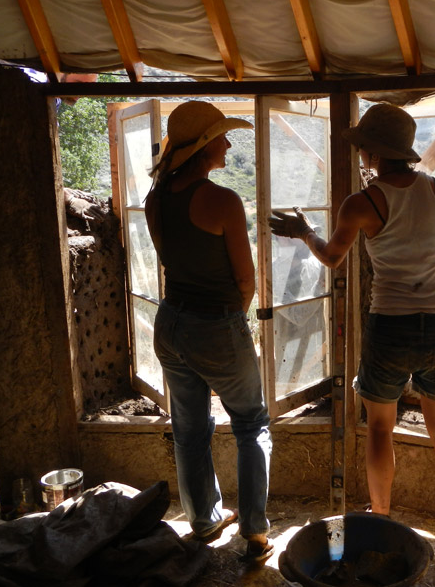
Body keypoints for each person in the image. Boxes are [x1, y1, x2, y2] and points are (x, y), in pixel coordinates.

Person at [269, 103, 435, 560]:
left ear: (371, 152)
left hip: (388, 327)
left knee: (381, 429)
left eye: (363, 145)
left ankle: (381, 514)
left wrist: (306, 231)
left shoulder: (361, 204)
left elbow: (331, 257)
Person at [144, 101, 273, 562]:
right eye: (221, 136)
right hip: (215, 323)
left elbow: (171, 261)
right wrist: (234, 327)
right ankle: (256, 535)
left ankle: (203, 521)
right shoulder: (222, 200)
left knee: (189, 428)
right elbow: (245, 280)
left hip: (171, 322)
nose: (229, 143)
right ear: (203, 148)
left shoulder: (155, 199)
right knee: (252, 423)